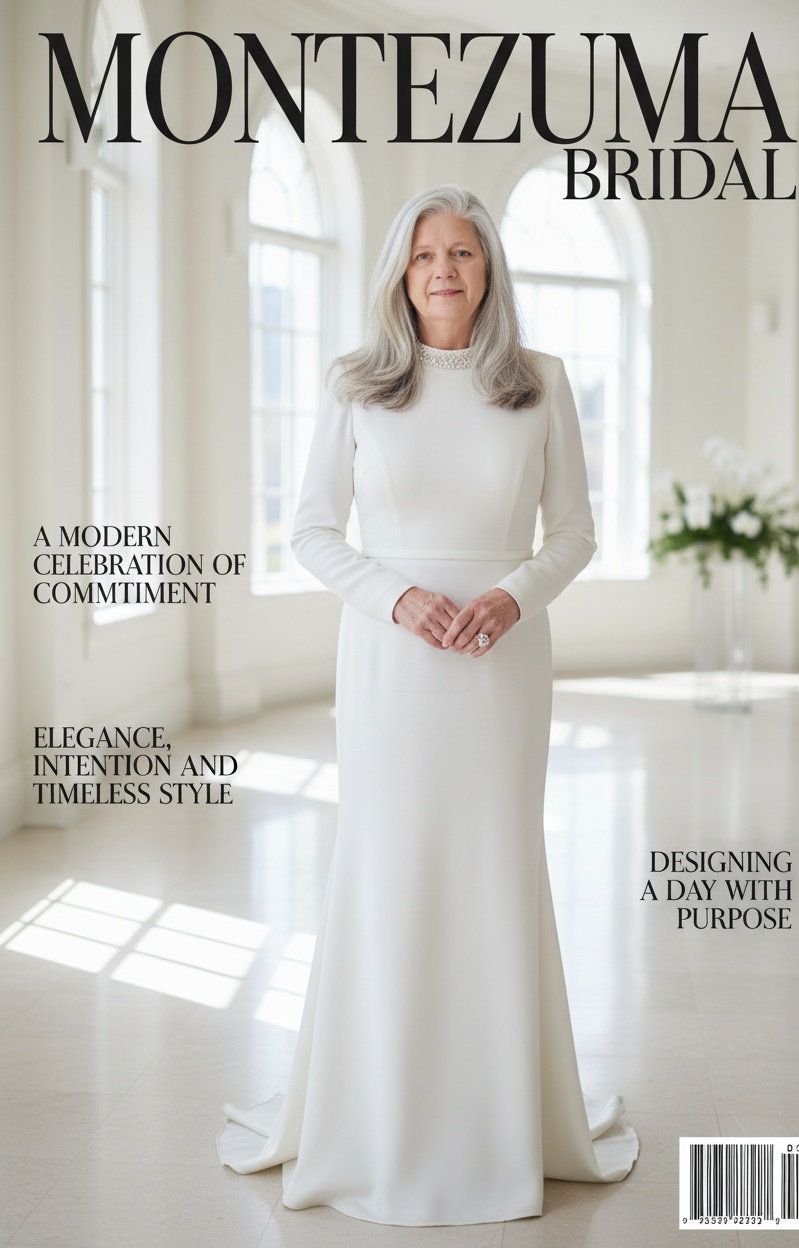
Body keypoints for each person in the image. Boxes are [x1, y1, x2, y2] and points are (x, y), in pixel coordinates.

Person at [216, 184, 639, 1226]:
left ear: (489, 269)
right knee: (389, 864)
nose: (442, 270)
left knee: (494, 863)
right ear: (399, 275)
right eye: (422, 256)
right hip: (390, 664)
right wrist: (396, 596)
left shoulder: (536, 382)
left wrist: (509, 595)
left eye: (462, 252)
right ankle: (376, 1114)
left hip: (502, 664)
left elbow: (575, 533)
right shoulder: (355, 384)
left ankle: (503, 1121)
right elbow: (312, 531)